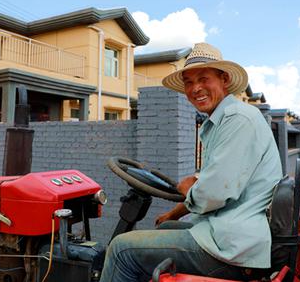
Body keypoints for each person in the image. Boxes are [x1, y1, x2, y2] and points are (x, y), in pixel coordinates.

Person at [100, 43, 283, 282]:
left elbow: (212, 191)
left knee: (120, 249)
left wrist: (189, 188)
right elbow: (208, 182)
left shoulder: (238, 119)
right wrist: (173, 214)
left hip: (231, 244)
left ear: (224, 79)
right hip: (226, 230)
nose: (196, 88)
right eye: (188, 82)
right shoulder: (221, 122)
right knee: (164, 228)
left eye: (203, 79)